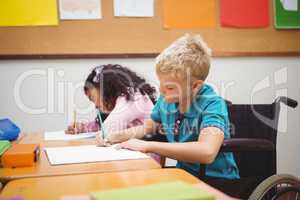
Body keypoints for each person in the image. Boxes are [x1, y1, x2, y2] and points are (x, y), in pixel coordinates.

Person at [103, 34, 240, 179]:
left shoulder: (213, 104)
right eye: (160, 83)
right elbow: (147, 128)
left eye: (169, 87)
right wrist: (114, 136)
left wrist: (149, 146)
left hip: (217, 180)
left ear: (195, 86)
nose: (161, 91)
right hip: (183, 175)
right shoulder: (166, 99)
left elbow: (207, 151)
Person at [65, 64, 156, 144]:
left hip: (146, 159)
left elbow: (107, 132)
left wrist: (103, 133)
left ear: (103, 88)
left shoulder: (132, 97)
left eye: (92, 98)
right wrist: (82, 128)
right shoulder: (123, 99)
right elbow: (103, 126)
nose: (95, 105)